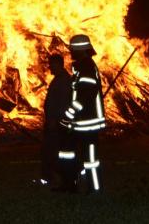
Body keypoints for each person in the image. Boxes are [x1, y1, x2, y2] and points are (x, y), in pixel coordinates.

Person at [58, 34, 106, 193]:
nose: (70, 53)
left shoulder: (87, 68)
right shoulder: (81, 67)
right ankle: (69, 184)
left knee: (90, 159)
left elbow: (85, 96)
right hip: (79, 123)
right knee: (67, 152)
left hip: (88, 123)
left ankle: (94, 190)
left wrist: (69, 115)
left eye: (72, 50)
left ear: (80, 51)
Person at [39, 54, 72, 187]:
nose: (49, 67)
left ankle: (54, 178)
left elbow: (63, 103)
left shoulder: (63, 81)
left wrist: (55, 120)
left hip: (57, 123)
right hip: (54, 122)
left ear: (59, 64)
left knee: (52, 151)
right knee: (50, 151)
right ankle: (53, 178)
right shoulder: (58, 79)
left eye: (52, 64)